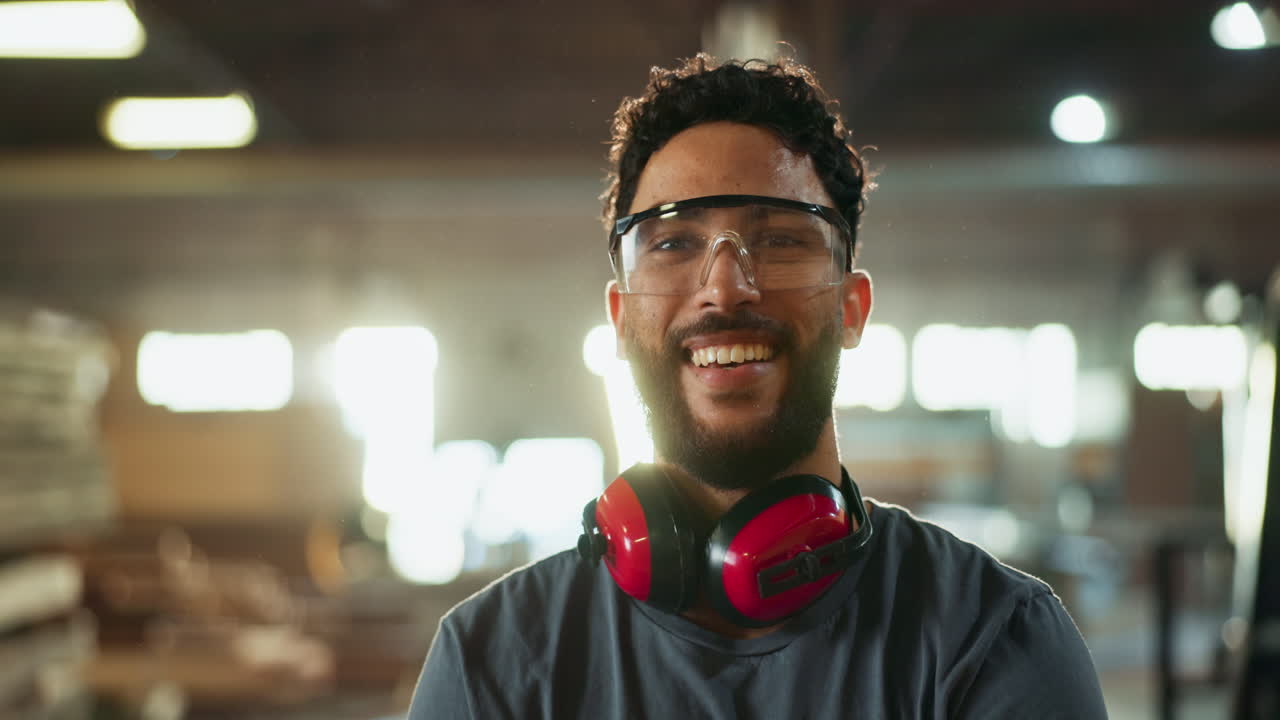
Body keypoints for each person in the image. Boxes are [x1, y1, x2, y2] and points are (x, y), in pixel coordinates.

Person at [408, 53, 1108, 719]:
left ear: (852, 308)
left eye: (779, 240)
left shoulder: (991, 643)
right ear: (621, 319)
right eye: (674, 243)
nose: (725, 287)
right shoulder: (493, 663)